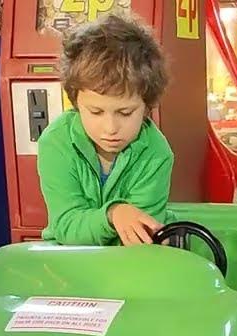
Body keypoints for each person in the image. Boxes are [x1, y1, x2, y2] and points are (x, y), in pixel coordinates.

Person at [37, 13, 174, 246]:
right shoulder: (55, 142)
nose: (110, 128)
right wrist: (113, 215)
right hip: (67, 261)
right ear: (76, 102)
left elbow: (139, 239)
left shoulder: (157, 153)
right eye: (95, 112)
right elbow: (66, 225)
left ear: (147, 107)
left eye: (125, 113)